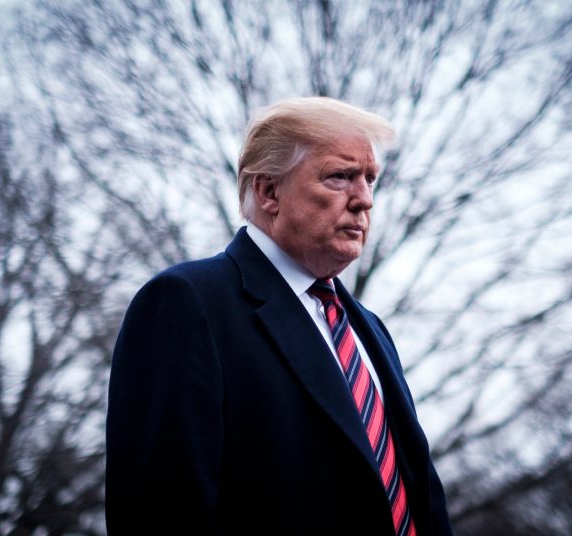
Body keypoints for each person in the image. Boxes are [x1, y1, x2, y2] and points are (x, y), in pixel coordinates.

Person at [105, 97, 453, 535]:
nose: (364, 200)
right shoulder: (187, 303)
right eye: (340, 177)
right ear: (269, 191)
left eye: (369, 179)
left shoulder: (371, 330)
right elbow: (158, 513)